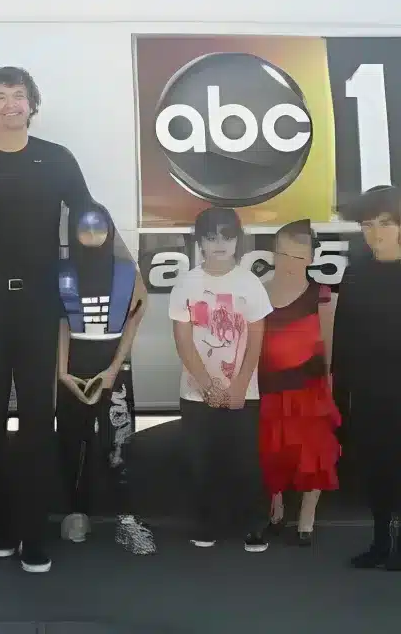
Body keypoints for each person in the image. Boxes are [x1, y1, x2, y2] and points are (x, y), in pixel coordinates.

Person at [0, 66, 92, 573]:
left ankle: (34, 532)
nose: (10, 104)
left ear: (33, 104)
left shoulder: (57, 159)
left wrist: (123, 274)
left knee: (36, 421)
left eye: (19, 96)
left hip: (38, 305)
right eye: (0, 96)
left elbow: (90, 223)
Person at [169, 206, 272, 552]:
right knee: (201, 461)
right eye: (211, 237)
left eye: (227, 236)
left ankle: (253, 525)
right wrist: (206, 384)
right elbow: (183, 338)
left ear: (237, 241)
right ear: (199, 242)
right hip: (196, 393)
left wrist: (241, 383)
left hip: (244, 391)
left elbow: (257, 335)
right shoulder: (187, 283)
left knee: (244, 462)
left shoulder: (249, 282)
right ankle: (206, 523)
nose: (219, 244)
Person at [56, 203, 156, 555]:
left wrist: (114, 368)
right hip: (73, 369)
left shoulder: (128, 272)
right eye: (85, 229)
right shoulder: (63, 271)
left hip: (114, 368)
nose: (93, 236)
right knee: (72, 443)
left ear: (110, 231)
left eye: (99, 229)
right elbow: (62, 323)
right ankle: (76, 512)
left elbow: (134, 320)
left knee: (119, 444)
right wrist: (62, 371)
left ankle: (127, 520)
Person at [258, 220, 340, 546]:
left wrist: (330, 386)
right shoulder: (259, 292)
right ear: (274, 254)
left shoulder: (322, 296)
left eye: (299, 256)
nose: (290, 263)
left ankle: (307, 517)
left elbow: (330, 349)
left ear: (310, 258)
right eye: (284, 254)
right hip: (269, 389)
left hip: (310, 390)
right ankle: (275, 510)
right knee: (271, 451)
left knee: (313, 452)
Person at [332, 185, 401, 571]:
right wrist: (341, 397)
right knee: (378, 471)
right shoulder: (357, 274)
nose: (376, 233)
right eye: (368, 225)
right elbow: (343, 339)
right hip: (371, 392)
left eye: (386, 224)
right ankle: (379, 543)